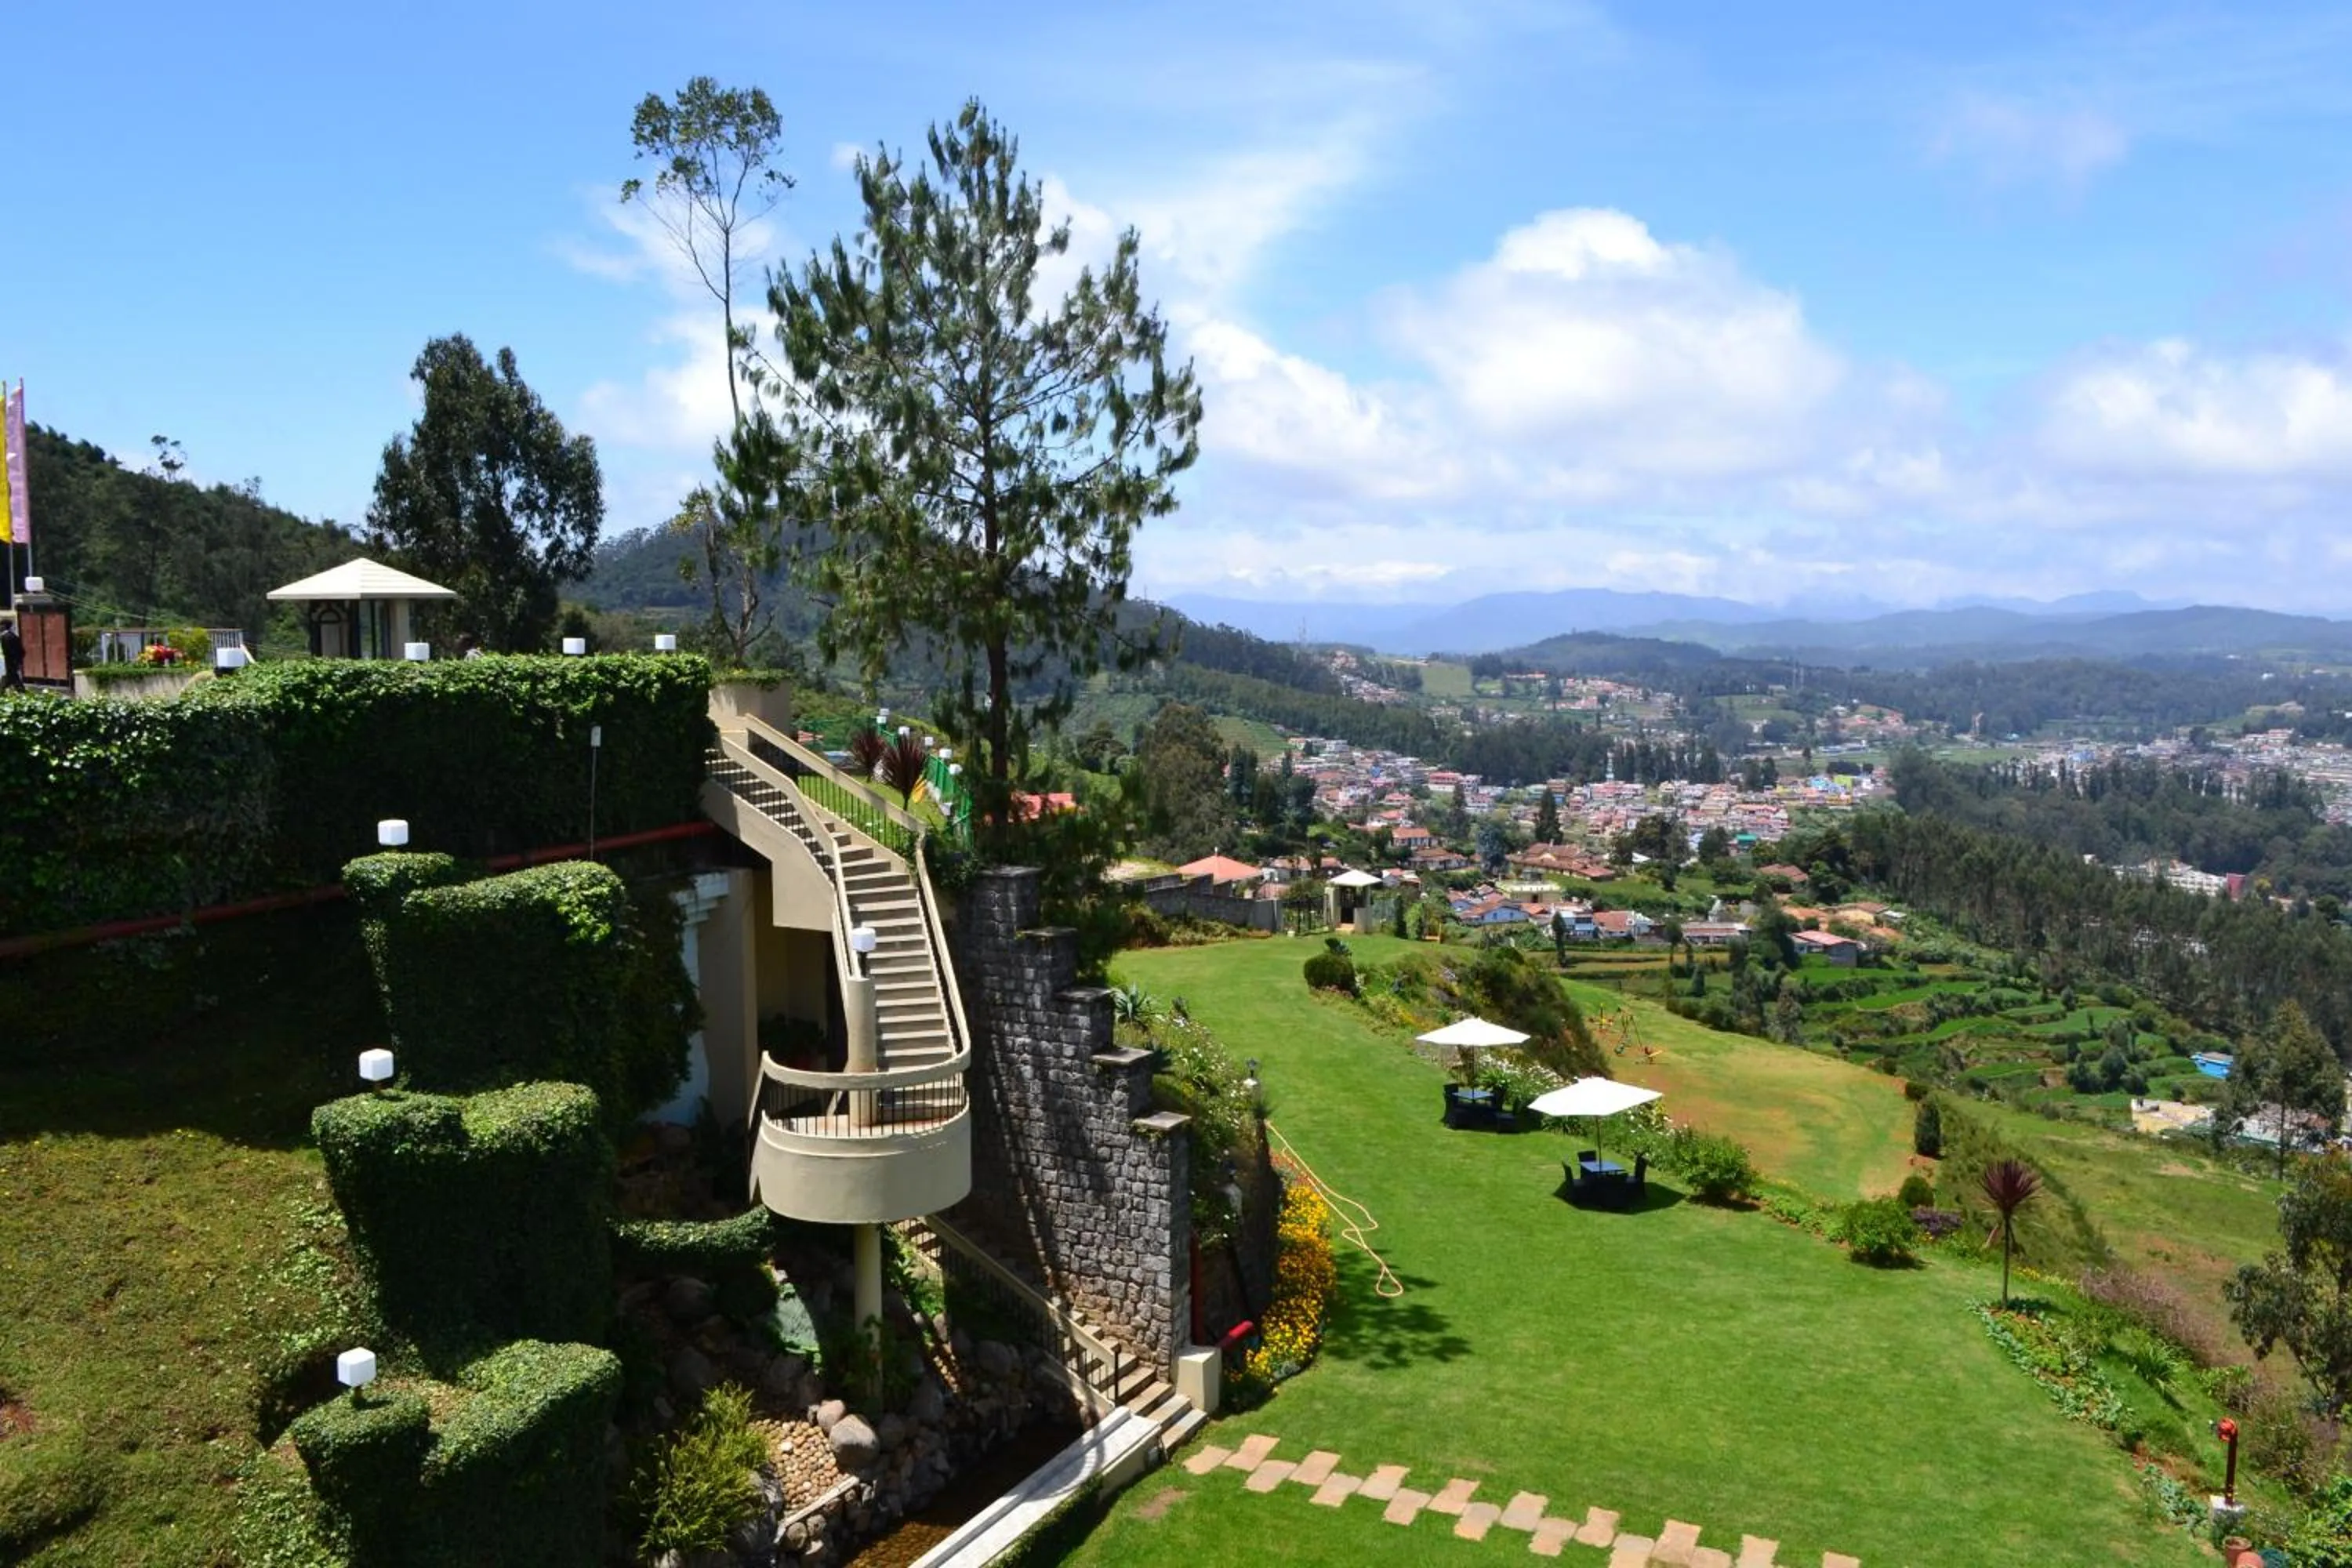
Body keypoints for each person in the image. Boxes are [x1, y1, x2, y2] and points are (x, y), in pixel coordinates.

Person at [0, 614, 24, 692]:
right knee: (10, 679)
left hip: (7, 663)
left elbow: (11, 652)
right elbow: (21, 651)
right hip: (9, 664)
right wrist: (18, 662)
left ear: (3, 626)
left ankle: (21, 692)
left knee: (11, 678)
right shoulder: (13, 636)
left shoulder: (6, 637)